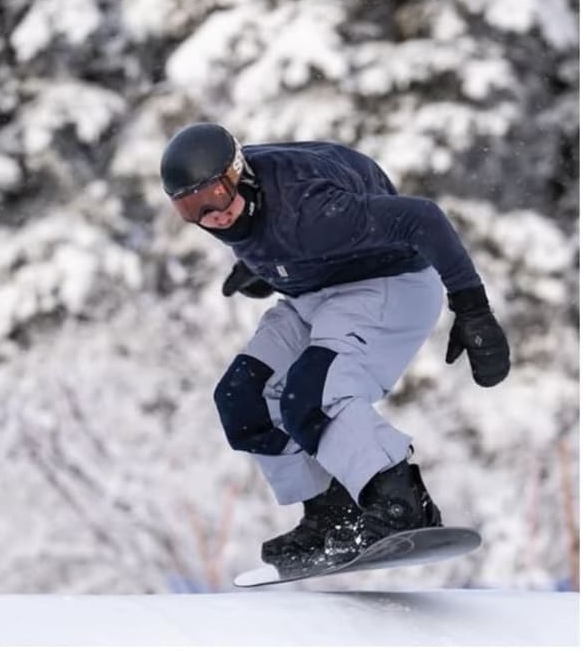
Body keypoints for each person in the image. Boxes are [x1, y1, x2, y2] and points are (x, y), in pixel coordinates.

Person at [159, 123, 509, 573]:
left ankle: (400, 500)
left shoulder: (309, 208)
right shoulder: (245, 207)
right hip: (314, 294)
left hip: (386, 284)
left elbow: (422, 217)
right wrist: (270, 265)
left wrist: (472, 307)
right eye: (193, 209)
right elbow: (267, 226)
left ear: (239, 172)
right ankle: (331, 513)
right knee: (243, 397)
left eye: (218, 196)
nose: (214, 216)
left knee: (315, 393)